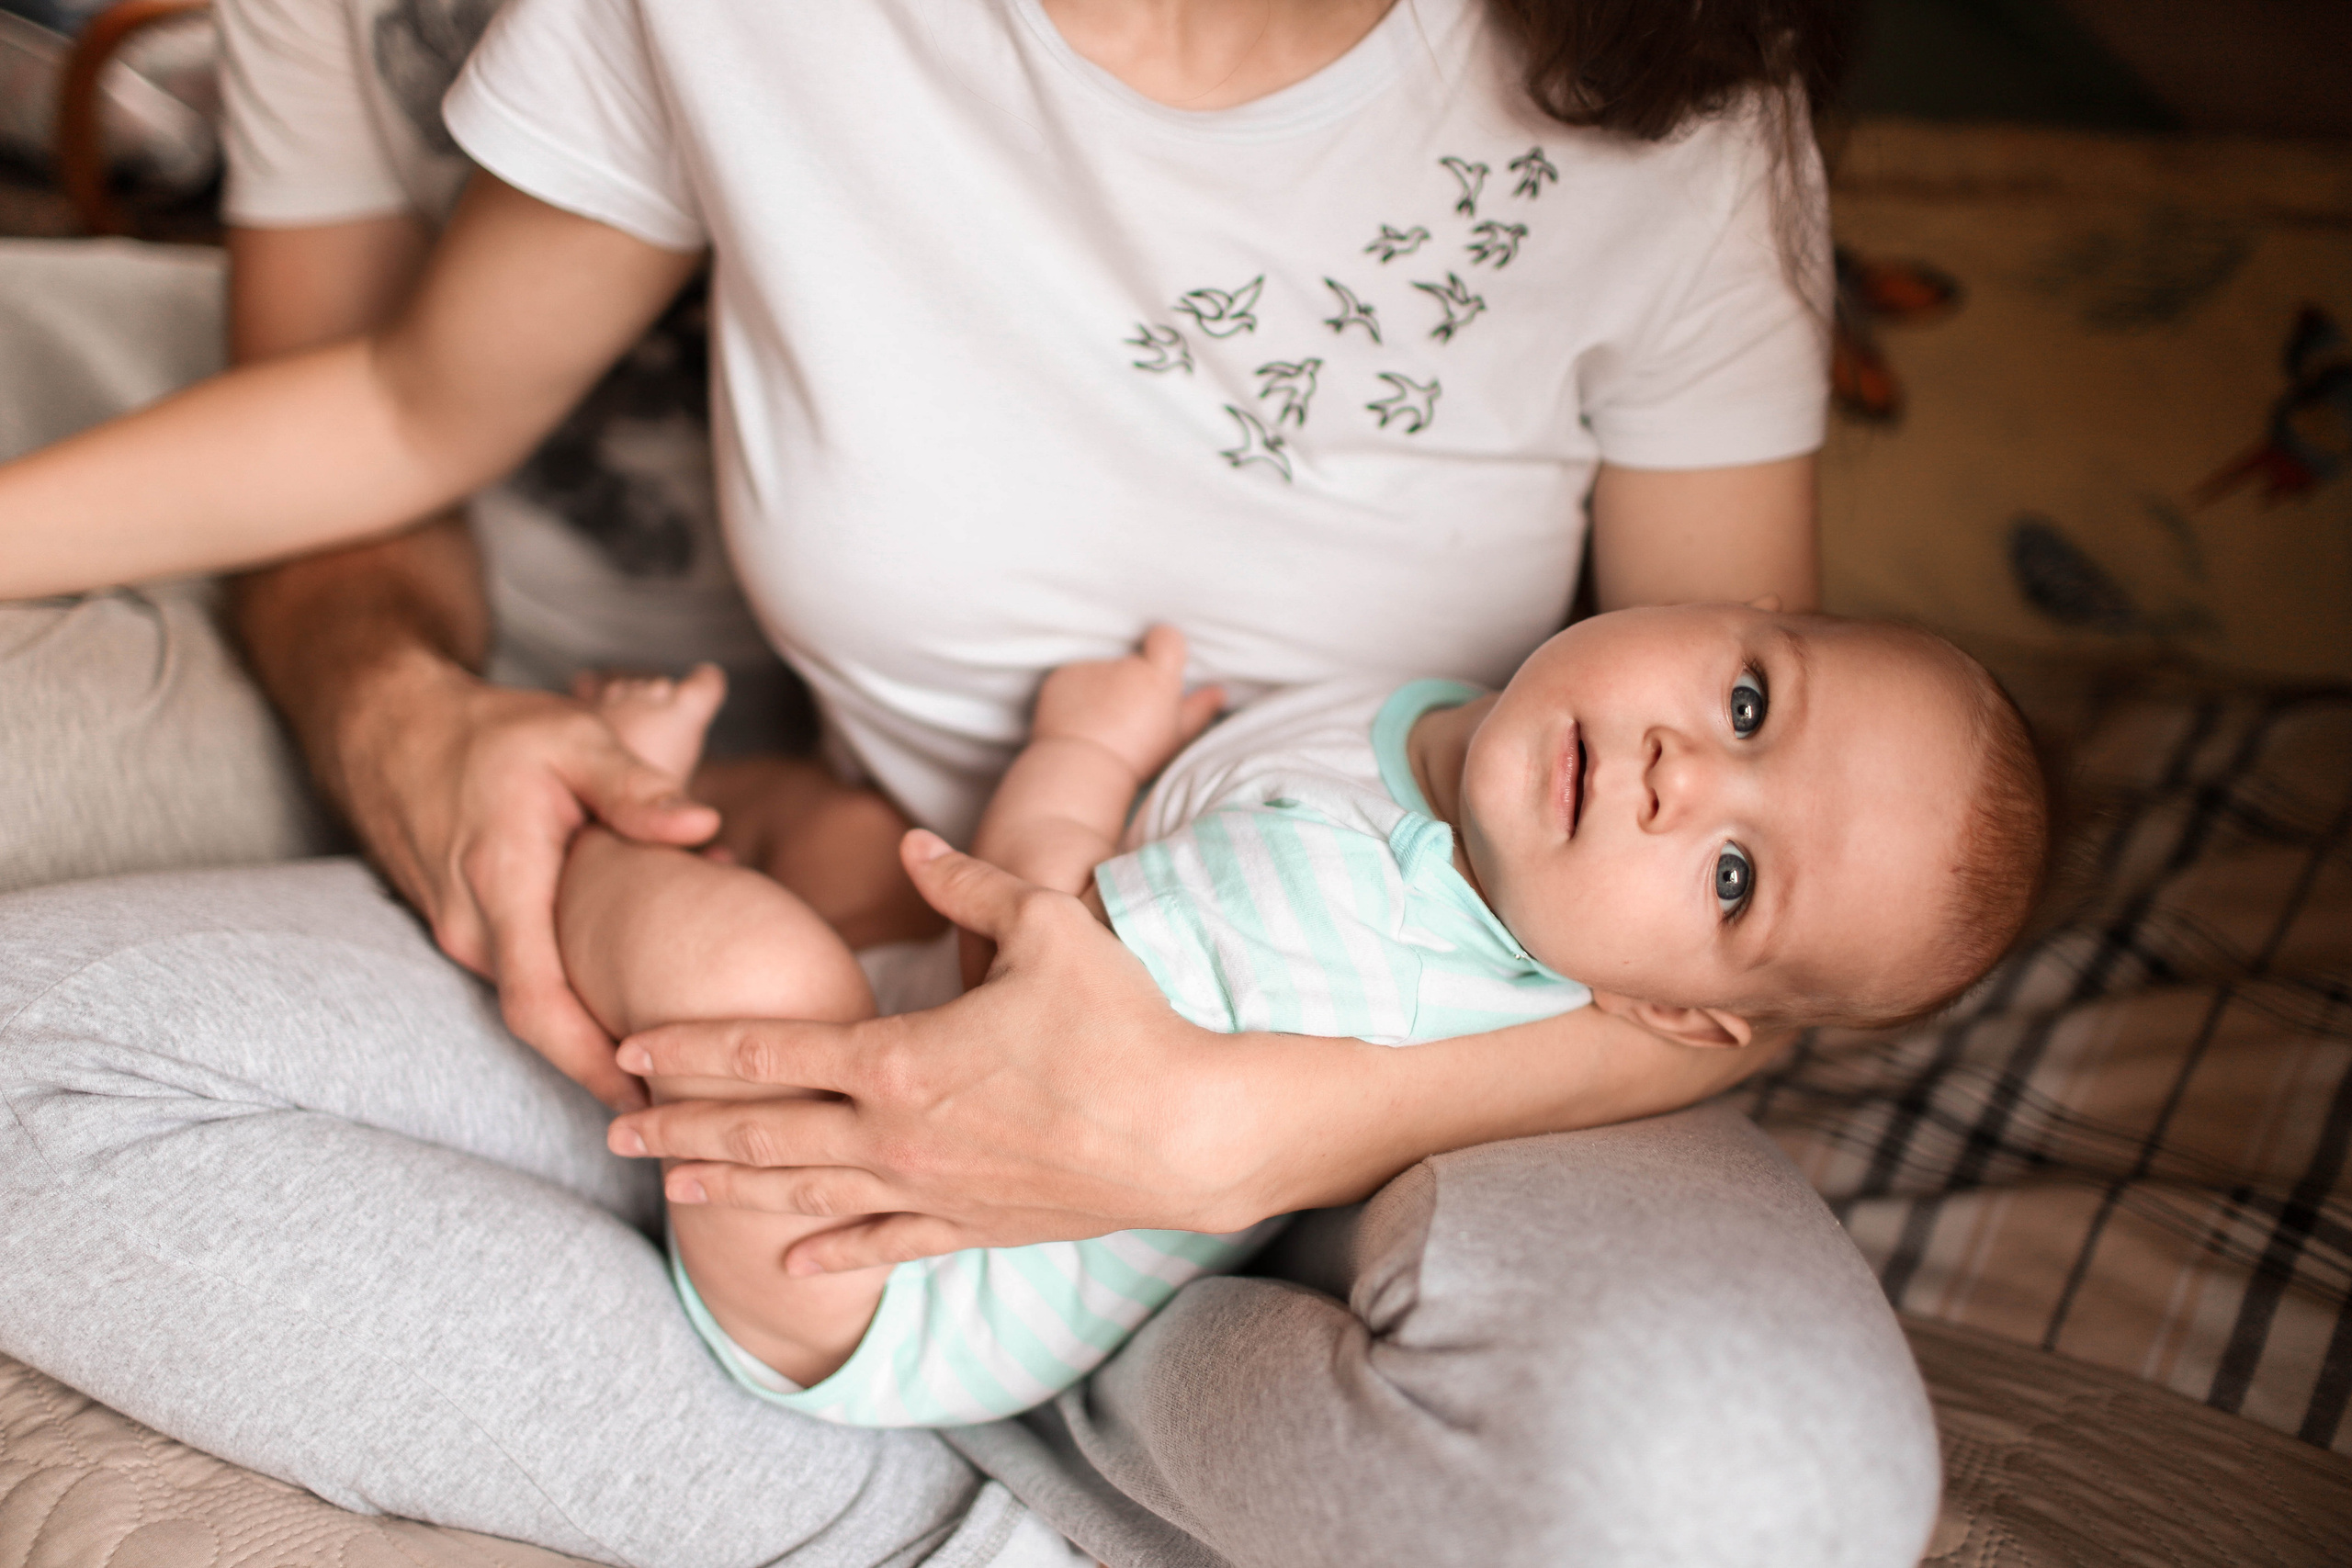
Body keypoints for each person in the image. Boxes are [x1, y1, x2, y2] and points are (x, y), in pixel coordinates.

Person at [0, 3, 1949, 1565]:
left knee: (1751, 1501)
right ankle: (940, 1507)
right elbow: (407, 401)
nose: (1698, 758)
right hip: (900, 991)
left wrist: (1229, 1130)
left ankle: (1053, 1402)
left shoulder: (1679, 85)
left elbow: (1749, 947)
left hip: (1478, 1070)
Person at [564, 611, 2047, 1428]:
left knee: (747, 960)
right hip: (914, 1090)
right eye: (1748, 704)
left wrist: (1086, 751)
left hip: (877, 1277)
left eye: (1732, 877)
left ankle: (596, 822)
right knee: (836, 836)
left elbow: (1011, 945)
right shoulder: (1452, 724)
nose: (1681, 775)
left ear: (1667, 1010)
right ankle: (685, 808)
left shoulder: (1358, 938)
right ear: (1732, 617)